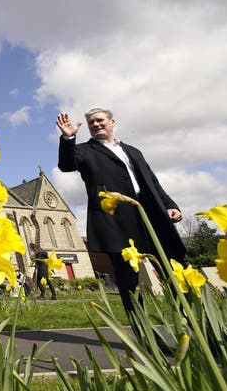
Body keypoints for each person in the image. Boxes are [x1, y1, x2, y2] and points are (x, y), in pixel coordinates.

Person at [56, 108, 186, 313]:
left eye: (100, 120)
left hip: (149, 213)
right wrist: (68, 138)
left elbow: (152, 182)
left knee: (173, 269)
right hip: (116, 219)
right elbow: (66, 165)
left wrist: (170, 205)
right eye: (91, 123)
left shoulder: (133, 151)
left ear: (112, 122)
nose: (96, 124)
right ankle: (145, 336)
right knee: (128, 279)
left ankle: (192, 323)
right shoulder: (83, 151)